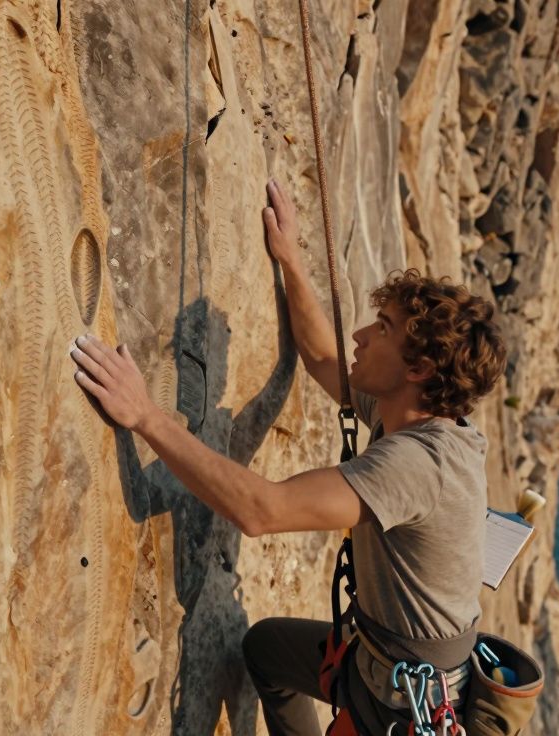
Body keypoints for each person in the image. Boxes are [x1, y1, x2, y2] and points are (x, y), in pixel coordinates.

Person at [70, 179, 507, 734]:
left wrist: (145, 416)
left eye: (383, 329)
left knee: (274, 655)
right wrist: (290, 260)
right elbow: (323, 354)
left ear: (418, 370)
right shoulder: (420, 413)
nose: (361, 335)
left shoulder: (420, 466)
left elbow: (263, 511)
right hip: (387, 660)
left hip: (402, 705)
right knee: (268, 650)